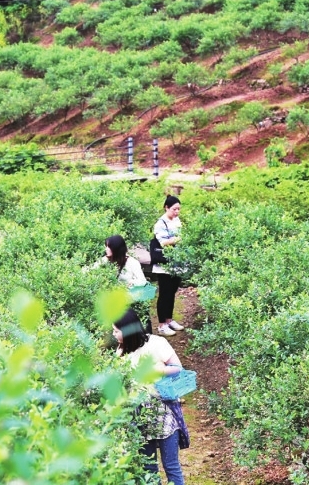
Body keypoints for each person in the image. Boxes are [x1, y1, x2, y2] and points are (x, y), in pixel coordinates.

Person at [112, 308, 189, 485]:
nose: (113, 334)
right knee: (148, 467)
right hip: (139, 415)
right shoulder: (120, 353)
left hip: (164, 410)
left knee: (171, 465)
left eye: (116, 330)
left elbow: (178, 368)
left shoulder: (157, 343)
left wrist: (158, 370)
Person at [153, 195, 184, 336]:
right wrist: (178, 239)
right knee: (164, 293)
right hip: (164, 264)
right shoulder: (160, 223)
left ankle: (169, 319)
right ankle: (161, 324)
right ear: (166, 207)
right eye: (174, 209)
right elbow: (163, 242)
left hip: (176, 263)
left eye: (178, 209)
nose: (176, 212)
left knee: (172, 292)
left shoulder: (177, 220)